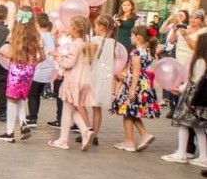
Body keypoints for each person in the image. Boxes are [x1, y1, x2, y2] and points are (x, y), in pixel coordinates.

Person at [0, 7, 44, 142]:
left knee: (11, 99)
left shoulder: (15, 35)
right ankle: (23, 124)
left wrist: (1, 53)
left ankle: (10, 133)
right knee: (21, 97)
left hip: (17, 69)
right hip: (29, 70)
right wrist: (33, 63)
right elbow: (43, 56)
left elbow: (11, 54)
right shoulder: (37, 36)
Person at [48, 17, 95, 150]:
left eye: (70, 26)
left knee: (67, 111)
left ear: (76, 30)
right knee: (71, 109)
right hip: (84, 80)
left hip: (73, 80)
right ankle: (86, 131)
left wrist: (58, 56)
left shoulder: (75, 45)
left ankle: (64, 139)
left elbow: (69, 63)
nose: (67, 28)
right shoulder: (86, 44)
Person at [111, 25, 160, 152]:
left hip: (135, 85)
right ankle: (143, 135)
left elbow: (136, 72)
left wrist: (132, 89)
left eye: (131, 35)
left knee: (127, 113)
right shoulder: (148, 51)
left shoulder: (136, 52)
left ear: (138, 37)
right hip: (144, 85)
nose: (130, 37)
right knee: (131, 112)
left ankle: (129, 142)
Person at [165, 34, 207, 167]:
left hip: (191, 98)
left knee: (183, 124)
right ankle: (204, 157)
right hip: (201, 99)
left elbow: (193, 81)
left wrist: (180, 89)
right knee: (199, 127)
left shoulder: (199, 61)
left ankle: (181, 153)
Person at [86, 15, 116, 146]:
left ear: (102, 27)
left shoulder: (95, 39)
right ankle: (95, 134)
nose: (94, 27)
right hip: (105, 77)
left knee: (81, 104)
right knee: (97, 108)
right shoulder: (113, 42)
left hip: (95, 74)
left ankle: (87, 130)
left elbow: (89, 58)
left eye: (96, 25)